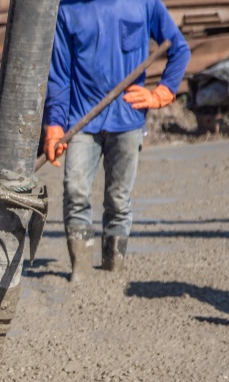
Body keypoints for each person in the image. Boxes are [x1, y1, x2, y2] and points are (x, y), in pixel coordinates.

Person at [42, 0, 190, 280]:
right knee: (75, 192)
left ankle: (113, 268)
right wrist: (55, 125)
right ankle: (82, 270)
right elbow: (59, 77)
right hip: (81, 121)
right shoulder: (67, 9)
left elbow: (179, 49)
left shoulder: (144, 4)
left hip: (127, 120)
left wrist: (161, 94)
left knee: (118, 200)